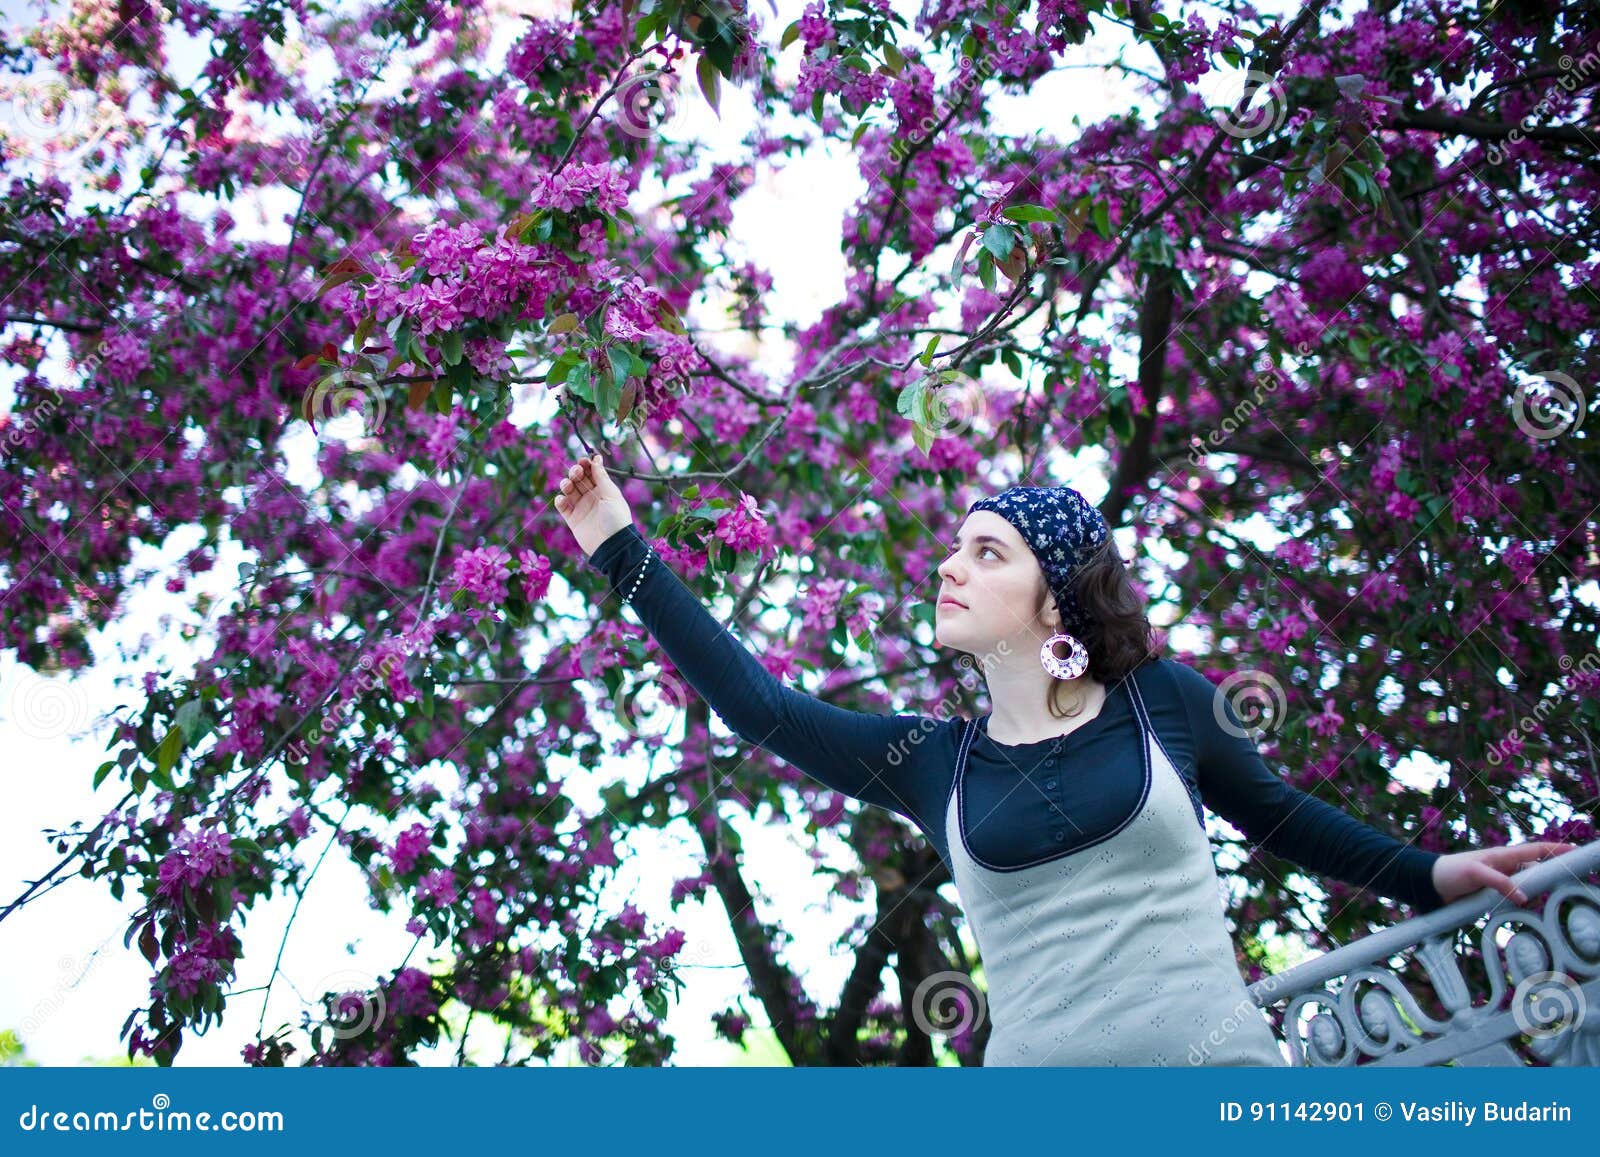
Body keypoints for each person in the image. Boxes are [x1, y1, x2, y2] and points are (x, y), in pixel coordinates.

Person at [551, 452, 1576, 1066]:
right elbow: (756, 705)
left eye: (987, 551)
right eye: (955, 548)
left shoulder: (1163, 702)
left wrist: (1432, 870)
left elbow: (1278, 817)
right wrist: (615, 538)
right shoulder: (931, 763)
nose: (951, 566)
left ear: (1057, 596)